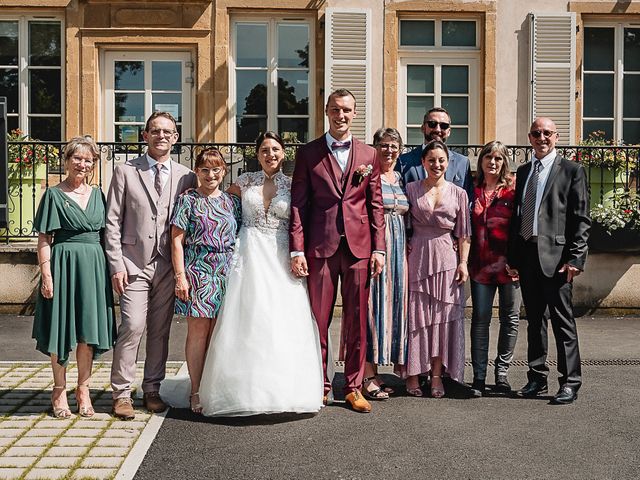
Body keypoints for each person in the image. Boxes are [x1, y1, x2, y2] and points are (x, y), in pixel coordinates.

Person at [168, 131, 323, 416]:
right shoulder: (243, 182)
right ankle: (227, 388)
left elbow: (302, 221)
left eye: (275, 149)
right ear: (257, 154)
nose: (270, 154)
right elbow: (219, 209)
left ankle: (282, 388)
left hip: (278, 257)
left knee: (279, 321)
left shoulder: (293, 184)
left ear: (284, 153)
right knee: (245, 319)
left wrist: (299, 254)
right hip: (247, 256)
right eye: (264, 149)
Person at [290, 89, 386, 413]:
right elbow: (298, 205)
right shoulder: (308, 153)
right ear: (326, 112)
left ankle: (353, 387)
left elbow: (376, 206)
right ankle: (320, 384)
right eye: (335, 110)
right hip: (321, 246)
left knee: (358, 320)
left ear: (354, 113)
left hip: (360, 248)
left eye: (346, 110)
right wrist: (297, 250)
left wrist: (380, 249)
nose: (340, 115)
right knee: (318, 319)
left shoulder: (369, 155)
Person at [105, 111, 197, 420]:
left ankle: (153, 389)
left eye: (167, 131)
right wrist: (117, 264)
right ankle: (120, 393)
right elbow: (112, 221)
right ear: (145, 136)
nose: (161, 136)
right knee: (132, 326)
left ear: (175, 137)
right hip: (134, 262)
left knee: (160, 330)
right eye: (155, 131)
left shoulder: (186, 175)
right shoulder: (125, 171)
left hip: (168, 266)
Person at [507, 117, 590, 405]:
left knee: (562, 322)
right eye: (535, 133)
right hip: (528, 255)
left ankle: (570, 382)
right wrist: (513, 256)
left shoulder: (572, 170)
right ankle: (536, 378)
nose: (541, 137)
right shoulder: (524, 171)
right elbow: (518, 216)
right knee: (534, 323)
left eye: (546, 133)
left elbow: (581, 219)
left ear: (556, 136)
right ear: (529, 138)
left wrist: (576, 258)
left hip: (557, 260)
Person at [33, 136, 116, 418]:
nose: (82, 164)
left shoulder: (99, 195)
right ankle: (59, 391)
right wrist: (46, 273)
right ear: (67, 161)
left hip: (93, 266)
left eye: (88, 160)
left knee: (87, 331)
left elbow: (108, 237)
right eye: (77, 158)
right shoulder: (54, 195)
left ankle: (83, 390)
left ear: (93, 164)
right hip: (62, 264)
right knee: (62, 329)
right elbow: (44, 237)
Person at [170, 148, 241, 413]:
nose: (210, 175)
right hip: (198, 270)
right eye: (204, 170)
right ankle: (197, 390)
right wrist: (180, 277)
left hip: (227, 271)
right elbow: (176, 240)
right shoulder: (188, 200)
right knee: (199, 332)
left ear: (223, 171)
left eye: (216, 170)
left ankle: (217, 387)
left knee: (220, 333)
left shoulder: (232, 202)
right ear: (197, 172)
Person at [404, 140, 471, 398]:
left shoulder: (459, 194)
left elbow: (464, 233)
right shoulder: (410, 189)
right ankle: (412, 374)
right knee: (417, 317)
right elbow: (402, 223)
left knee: (441, 320)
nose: (437, 164)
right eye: (431, 160)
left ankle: (435, 375)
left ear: (448, 162)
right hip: (417, 255)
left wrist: (463, 262)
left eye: (441, 160)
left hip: (447, 257)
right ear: (423, 162)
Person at [468, 140, 520, 397]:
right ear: (481, 160)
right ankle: (479, 376)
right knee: (480, 319)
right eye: (489, 157)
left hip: (510, 267)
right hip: (480, 267)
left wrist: (519, 261)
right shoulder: (472, 189)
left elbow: (522, 227)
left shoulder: (513, 189)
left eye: (498, 158)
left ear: (504, 162)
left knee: (510, 320)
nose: (493, 162)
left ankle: (502, 374)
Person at [361, 127, 409, 400]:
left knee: (391, 311)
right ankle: (368, 374)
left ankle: (378, 371)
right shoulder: (368, 175)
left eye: (394, 146)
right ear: (375, 147)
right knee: (371, 309)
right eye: (384, 145)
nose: (389, 150)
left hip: (399, 251)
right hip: (375, 248)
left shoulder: (400, 177)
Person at [397, 107, 474, 202]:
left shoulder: (462, 163)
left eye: (444, 126)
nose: (438, 129)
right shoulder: (403, 161)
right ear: (423, 128)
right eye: (432, 124)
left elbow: (468, 202)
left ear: (449, 131)